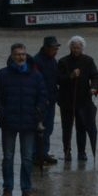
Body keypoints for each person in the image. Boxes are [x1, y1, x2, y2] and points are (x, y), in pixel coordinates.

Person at [0, 42, 46, 196]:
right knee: (8, 158)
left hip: (29, 122)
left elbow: (42, 96)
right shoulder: (2, 75)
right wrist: (2, 115)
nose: (20, 57)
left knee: (27, 158)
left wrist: (38, 114)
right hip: (9, 122)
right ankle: (8, 189)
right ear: (12, 55)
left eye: (23, 54)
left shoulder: (36, 75)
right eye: (17, 54)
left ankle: (26, 189)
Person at [56, 36, 98, 162]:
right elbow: (59, 79)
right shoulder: (63, 61)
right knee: (67, 128)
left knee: (82, 127)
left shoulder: (88, 61)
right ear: (70, 48)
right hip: (67, 100)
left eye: (78, 48)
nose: (76, 50)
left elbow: (96, 76)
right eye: (74, 47)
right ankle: (67, 151)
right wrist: (70, 76)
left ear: (82, 48)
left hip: (83, 100)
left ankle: (82, 152)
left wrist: (94, 88)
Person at [32, 36, 60, 165]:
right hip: (41, 102)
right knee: (38, 129)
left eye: (56, 48)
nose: (56, 51)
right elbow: (37, 83)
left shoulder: (53, 60)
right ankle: (35, 155)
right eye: (54, 48)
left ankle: (44, 153)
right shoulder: (37, 61)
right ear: (46, 48)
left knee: (48, 129)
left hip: (51, 101)